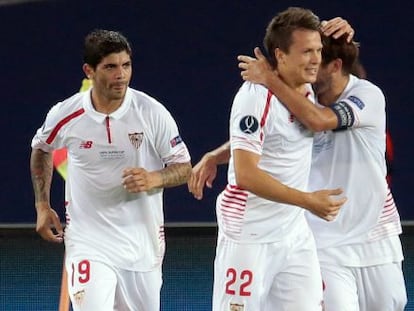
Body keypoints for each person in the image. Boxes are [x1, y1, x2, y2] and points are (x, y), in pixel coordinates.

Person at [192, 25, 407, 310]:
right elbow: (271, 137)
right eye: (309, 53)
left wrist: (269, 78)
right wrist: (215, 156)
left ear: (335, 66)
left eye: (318, 55)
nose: (311, 63)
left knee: (392, 304)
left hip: (375, 232)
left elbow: (318, 120)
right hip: (323, 236)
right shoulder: (301, 95)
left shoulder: (367, 95)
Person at [197, 7, 349, 310]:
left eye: (318, 50)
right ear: (280, 55)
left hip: (293, 233)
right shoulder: (254, 96)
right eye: (307, 51)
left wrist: (216, 154)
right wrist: (308, 201)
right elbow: (246, 175)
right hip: (250, 233)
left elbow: (272, 138)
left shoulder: (305, 89)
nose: (316, 58)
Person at [30, 29, 192, 311]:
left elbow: (184, 168)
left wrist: (155, 177)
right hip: (88, 241)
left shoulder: (151, 112)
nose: (121, 75)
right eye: (111, 67)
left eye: (126, 65)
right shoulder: (66, 114)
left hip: (142, 247)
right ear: (89, 71)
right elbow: (42, 148)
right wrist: (42, 205)